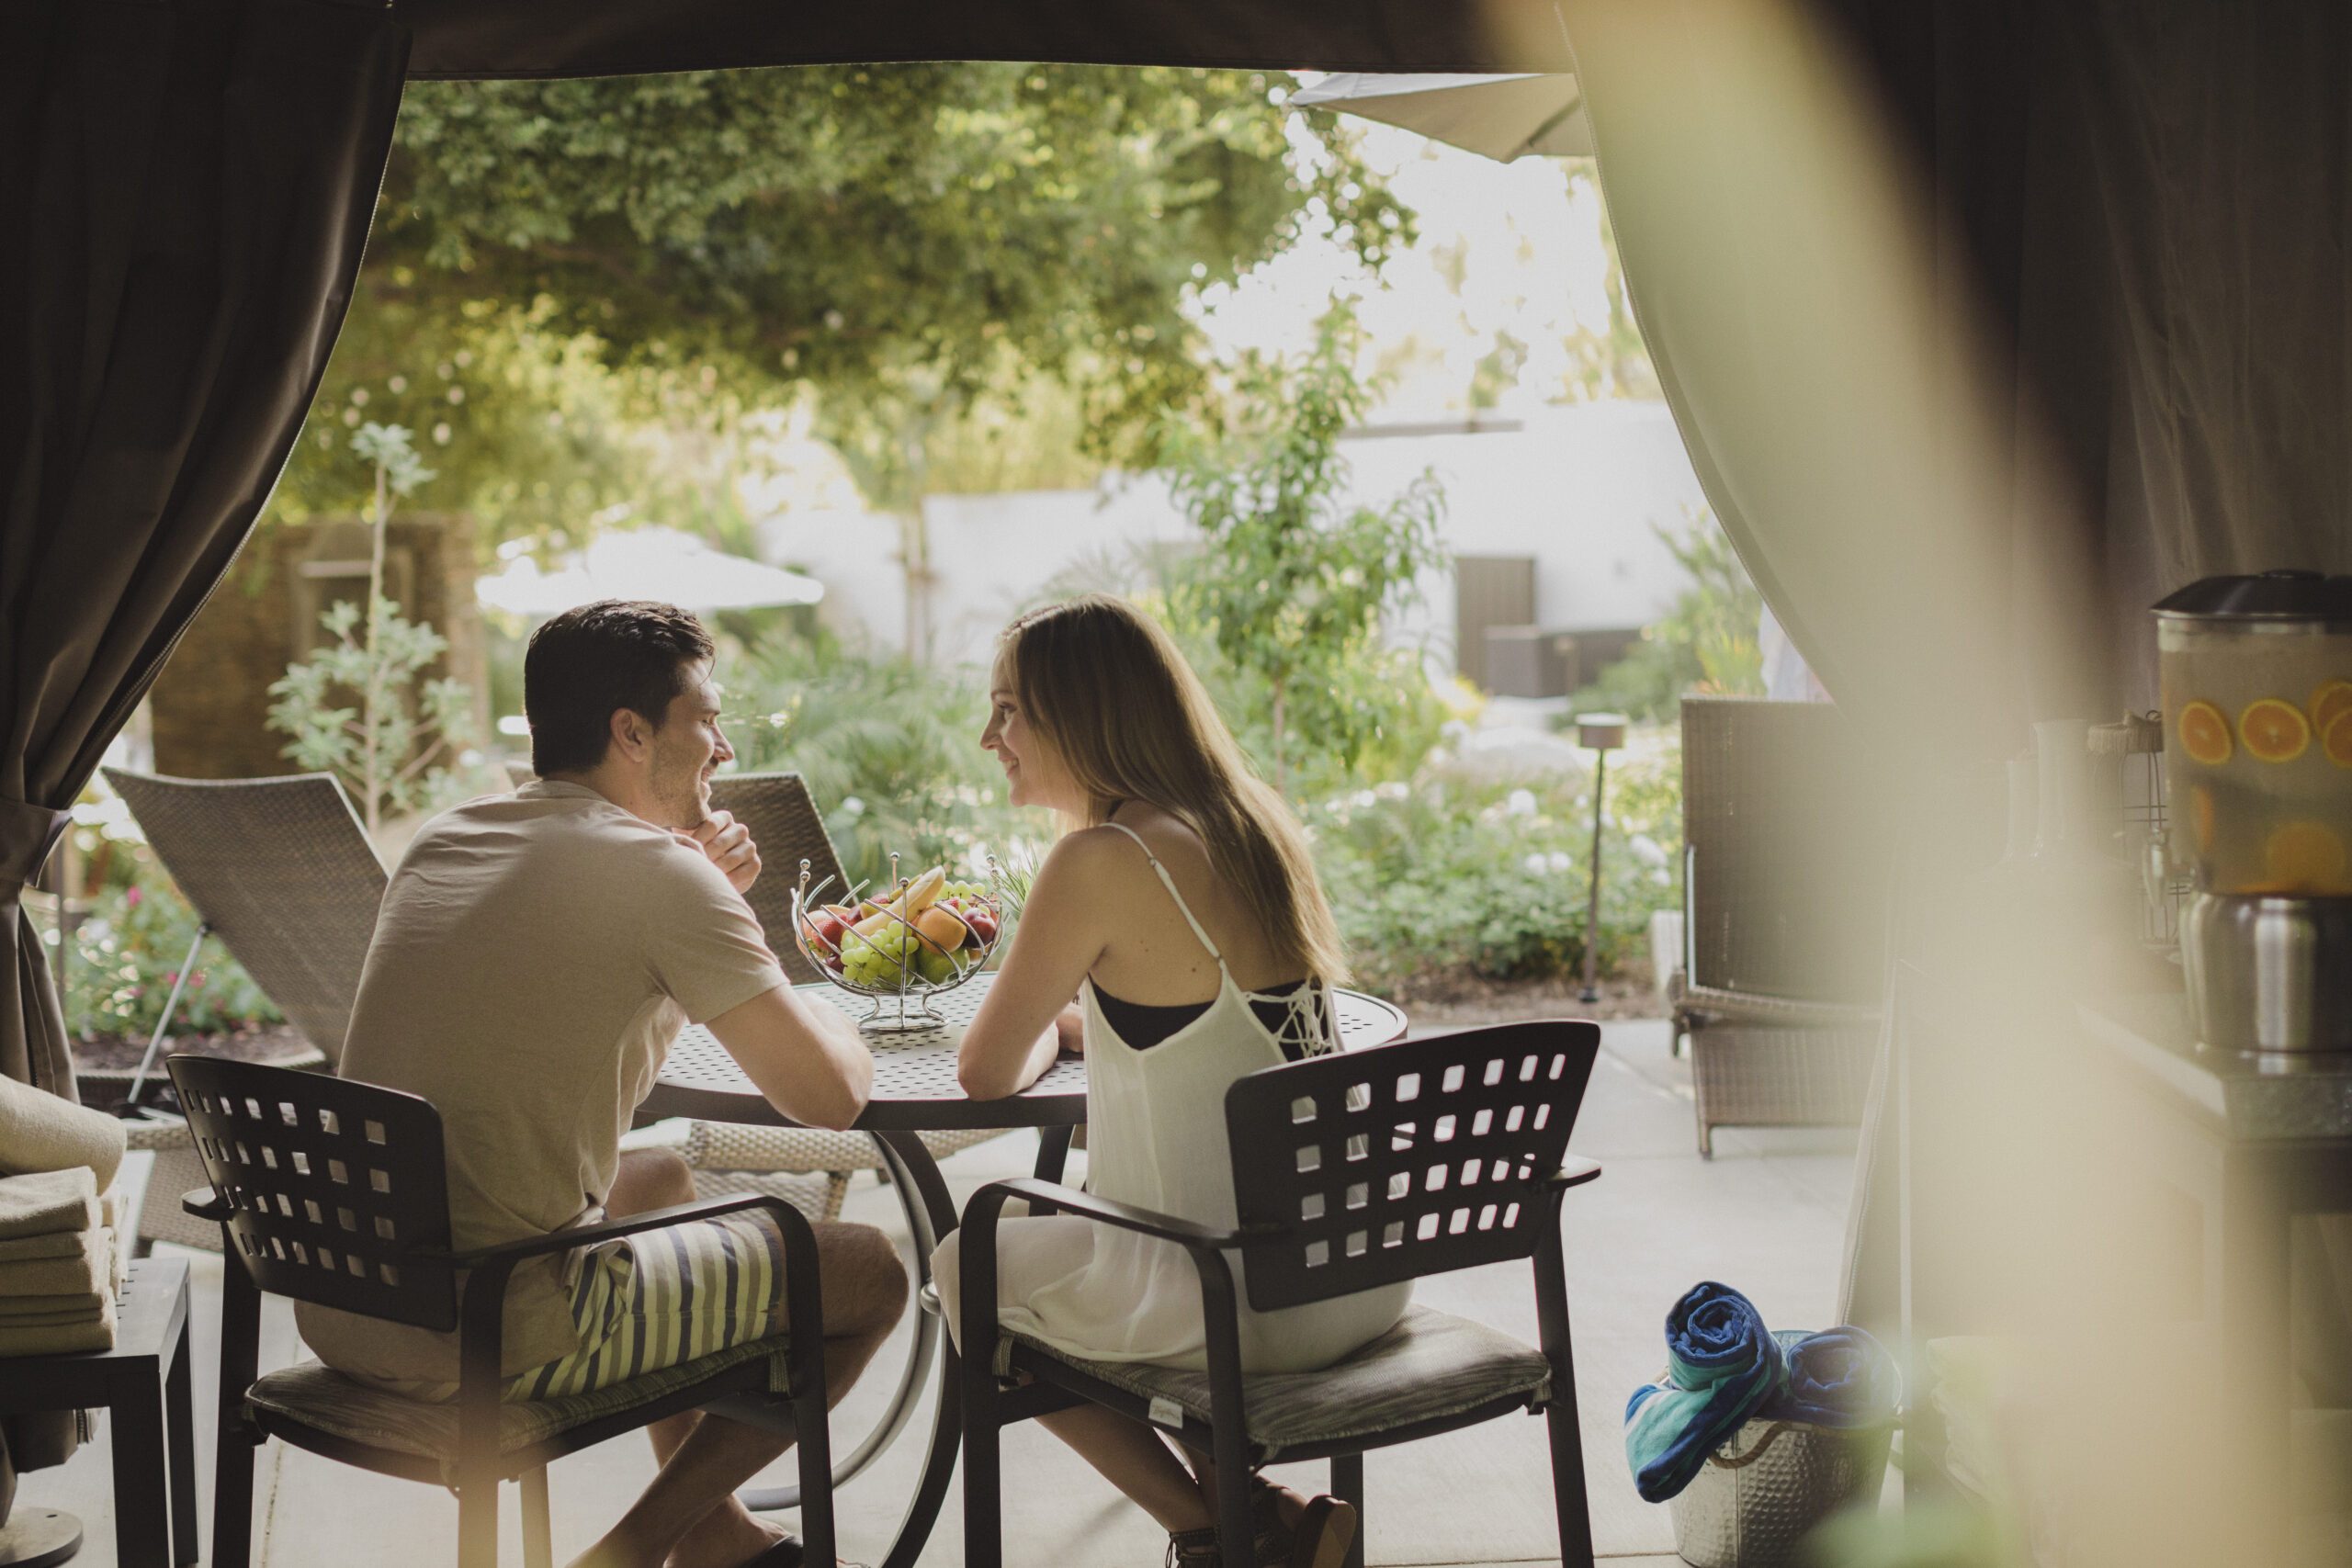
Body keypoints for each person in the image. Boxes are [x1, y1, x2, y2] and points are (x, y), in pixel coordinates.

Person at [297, 600, 906, 1568]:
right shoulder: (664, 879)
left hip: (350, 1292)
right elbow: (828, 1097)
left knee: (658, 1180)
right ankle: (627, 1553)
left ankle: (716, 1535)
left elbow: (573, 1033)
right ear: (631, 732)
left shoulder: (446, 842)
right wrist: (814, 984)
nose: (724, 743)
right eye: (704, 717)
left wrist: (694, 911)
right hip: (493, 1321)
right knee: (869, 1271)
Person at [933, 594, 1408, 1568]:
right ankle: (1266, 1521)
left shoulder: (1101, 858)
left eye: (1010, 709)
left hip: (1230, 1298)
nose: (989, 736)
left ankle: (1217, 1529)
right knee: (1076, 1240)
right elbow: (1177, 1018)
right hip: (1352, 1271)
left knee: (962, 1261)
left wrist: (1044, 1031)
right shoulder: (1249, 822)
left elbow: (984, 1069)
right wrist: (1070, 1026)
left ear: (1086, 713)